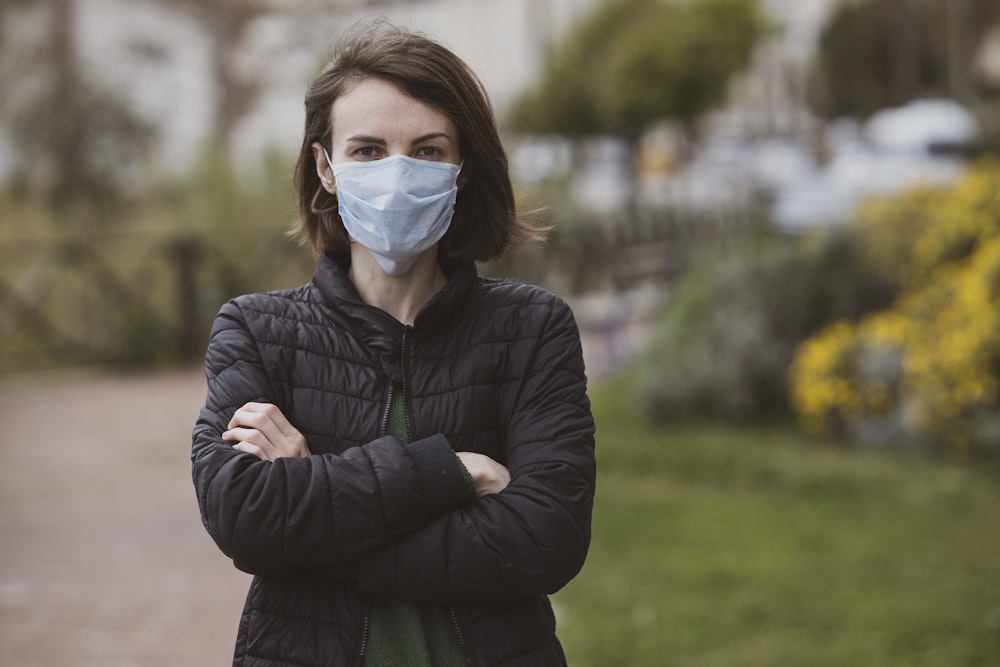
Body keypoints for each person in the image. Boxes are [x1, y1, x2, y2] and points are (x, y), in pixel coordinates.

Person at [191, 18, 596, 667]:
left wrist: (316, 517)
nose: (398, 174)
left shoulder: (531, 329)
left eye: (429, 150)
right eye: (368, 150)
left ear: (462, 169)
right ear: (325, 166)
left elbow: (546, 538)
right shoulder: (257, 332)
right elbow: (244, 516)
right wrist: (451, 471)